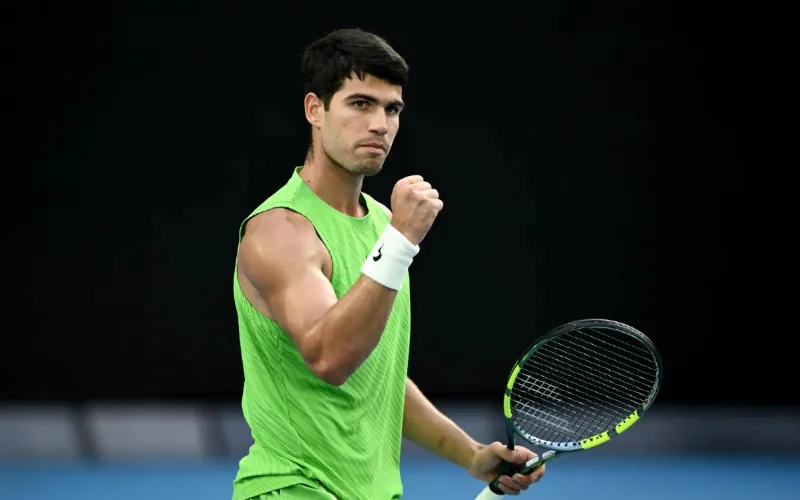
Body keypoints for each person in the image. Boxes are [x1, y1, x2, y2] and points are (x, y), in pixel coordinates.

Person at [231, 28, 546, 500]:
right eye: (360, 104)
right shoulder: (281, 231)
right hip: (294, 489)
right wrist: (400, 241)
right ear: (315, 109)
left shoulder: (382, 222)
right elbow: (331, 358)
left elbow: (375, 375)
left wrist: (471, 455)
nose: (380, 123)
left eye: (391, 108)